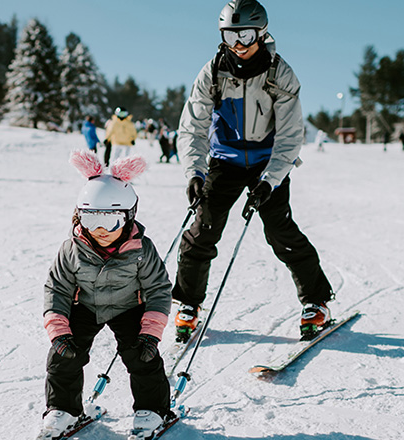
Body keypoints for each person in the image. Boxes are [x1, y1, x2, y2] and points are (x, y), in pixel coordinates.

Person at [173, 0, 335, 343]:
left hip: (266, 163)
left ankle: (316, 302)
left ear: (261, 33)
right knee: (202, 230)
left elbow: (291, 136)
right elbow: (192, 128)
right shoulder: (213, 71)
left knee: (280, 232)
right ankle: (188, 305)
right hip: (225, 162)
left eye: (245, 34)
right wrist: (194, 172)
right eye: (230, 35)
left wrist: (269, 182)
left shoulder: (280, 74)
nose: (238, 44)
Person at [39, 150, 173, 439]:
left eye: (109, 221)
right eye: (90, 219)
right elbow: (57, 289)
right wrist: (59, 331)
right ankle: (64, 408)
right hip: (86, 305)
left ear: (127, 218)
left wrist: (150, 332)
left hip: (129, 307)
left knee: (142, 355)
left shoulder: (142, 251)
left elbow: (159, 289)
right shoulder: (72, 249)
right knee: (64, 356)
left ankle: (153, 409)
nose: (99, 230)